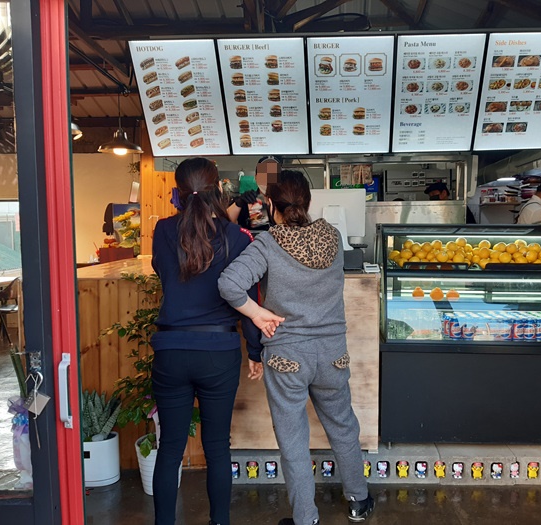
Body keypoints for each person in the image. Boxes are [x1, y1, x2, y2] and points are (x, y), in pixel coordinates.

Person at [218, 170, 374, 525]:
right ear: (309, 201)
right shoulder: (333, 237)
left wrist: (258, 314)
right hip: (333, 354)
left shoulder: (268, 244)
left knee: (292, 439)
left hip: (287, 356)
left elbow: (229, 284)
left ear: (270, 203)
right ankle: (359, 500)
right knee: (343, 427)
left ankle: (306, 518)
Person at [150, 157, 263, 525]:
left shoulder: (162, 230)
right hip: (218, 353)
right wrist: (255, 351)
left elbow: (161, 271)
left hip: (170, 351)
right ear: (219, 189)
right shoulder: (238, 237)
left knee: (170, 448)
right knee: (217, 449)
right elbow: (247, 298)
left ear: (178, 191)